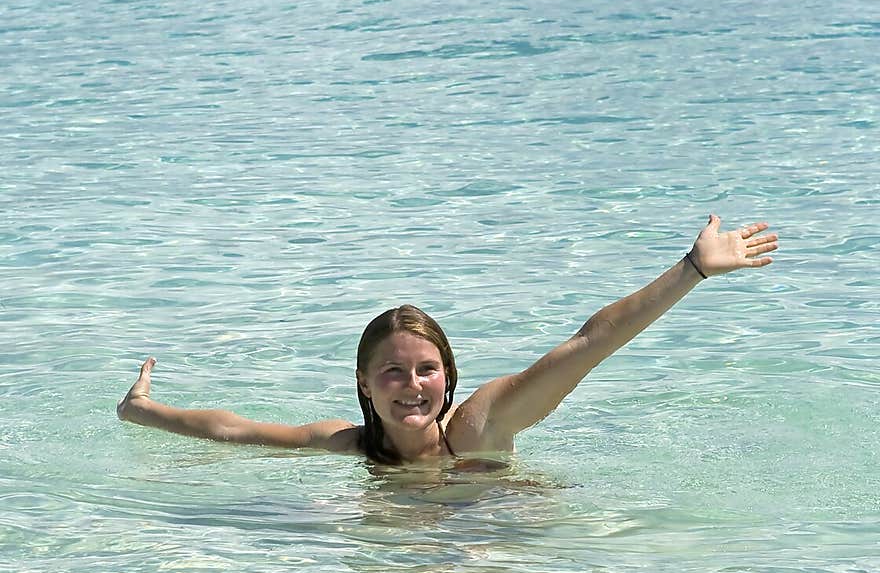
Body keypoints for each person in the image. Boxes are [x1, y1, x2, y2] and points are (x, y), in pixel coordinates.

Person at [117, 215, 778, 465]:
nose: (412, 386)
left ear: (449, 375)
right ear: (363, 385)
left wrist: (690, 271)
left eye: (426, 369)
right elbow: (234, 430)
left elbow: (589, 344)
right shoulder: (348, 445)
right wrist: (143, 412)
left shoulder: (481, 426)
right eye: (393, 373)